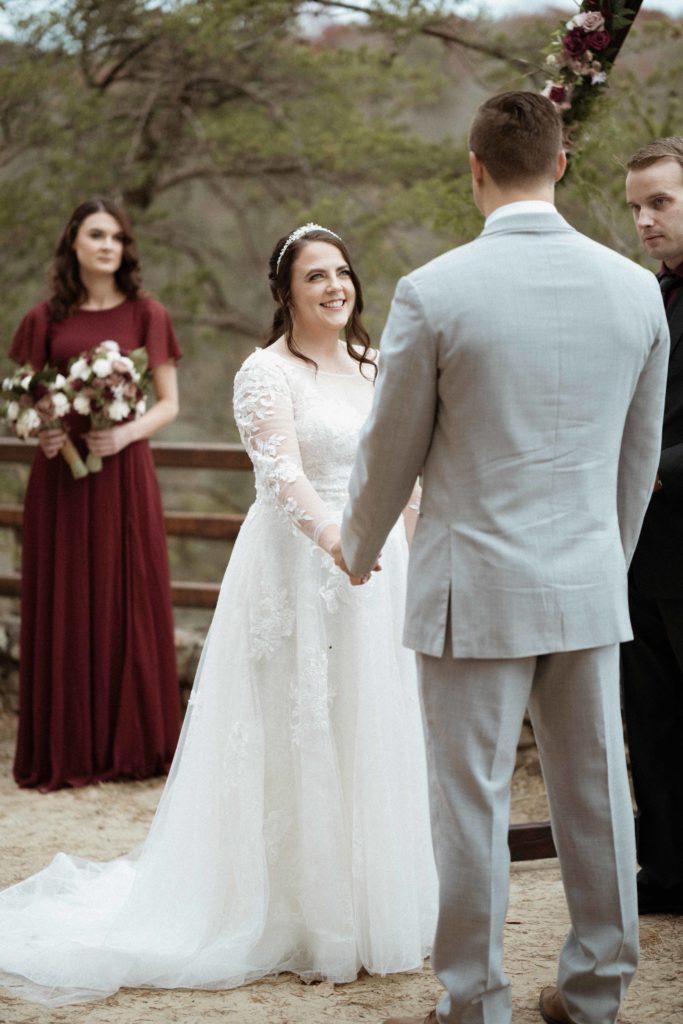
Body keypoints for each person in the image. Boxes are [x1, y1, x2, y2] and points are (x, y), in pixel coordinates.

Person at [0, 224, 437, 1006]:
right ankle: (303, 914)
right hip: (302, 567)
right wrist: (340, 542)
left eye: (343, 274)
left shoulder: (377, 364)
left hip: (381, 569)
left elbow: (405, 463)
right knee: (300, 725)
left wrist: (396, 546)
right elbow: (281, 476)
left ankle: (376, 901)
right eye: (316, 278)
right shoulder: (263, 373)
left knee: (371, 722)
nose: (336, 287)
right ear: (285, 293)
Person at [335, 92, 669, 1024]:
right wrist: (604, 560)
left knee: (468, 801)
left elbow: (389, 447)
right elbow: (636, 459)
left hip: (469, 589)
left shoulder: (433, 290)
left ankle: (474, 999)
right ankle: (596, 991)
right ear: (562, 164)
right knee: (597, 793)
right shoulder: (633, 287)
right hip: (587, 582)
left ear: (474, 168)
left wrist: (359, 546)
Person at [8, 197, 182, 792]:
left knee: (124, 598)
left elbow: (169, 403)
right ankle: (68, 745)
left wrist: (124, 434)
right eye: (96, 235)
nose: (109, 245)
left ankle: (134, 744)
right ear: (74, 245)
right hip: (60, 480)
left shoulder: (147, 315)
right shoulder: (43, 319)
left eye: (117, 237)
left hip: (125, 477)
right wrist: (44, 431)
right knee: (65, 598)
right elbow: (23, 400)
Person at [622, 137, 683, 916]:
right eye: (634, 206)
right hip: (635, 550)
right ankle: (666, 876)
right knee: (652, 725)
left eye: (658, 202)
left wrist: (654, 469)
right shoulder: (644, 296)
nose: (642, 219)